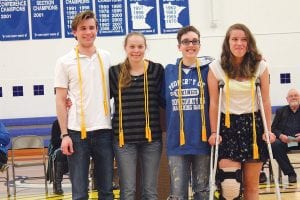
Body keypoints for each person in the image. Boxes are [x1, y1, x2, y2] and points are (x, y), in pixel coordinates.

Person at [208, 23, 276, 200]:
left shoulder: (260, 66)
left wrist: (268, 129)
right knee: (230, 187)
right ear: (227, 42)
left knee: (251, 187)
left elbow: (266, 100)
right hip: (227, 125)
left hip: (253, 127)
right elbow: (214, 103)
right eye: (235, 39)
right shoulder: (216, 67)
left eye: (243, 39)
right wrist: (214, 132)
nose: (239, 43)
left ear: (249, 43)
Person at [55, 10, 114, 200]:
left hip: (104, 130)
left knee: (106, 191)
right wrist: (64, 134)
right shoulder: (64, 61)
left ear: (97, 29)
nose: (88, 32)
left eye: (91, 28)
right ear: (74, 32)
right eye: (83, 29)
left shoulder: (106, 57)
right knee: (79, 193)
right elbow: (60, 99)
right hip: (76, 133)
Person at [109, 32, 164, 200]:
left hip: (151, 139)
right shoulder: (114, 72)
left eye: (140, 46)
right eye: (132, 46)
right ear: (125, 48)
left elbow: (165, 100)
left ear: (145, 48)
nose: (136, 50)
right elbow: (101, 101)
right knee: (128, 190)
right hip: (124, 141)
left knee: (150, 190)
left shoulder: (156, 70)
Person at [163, 25, 212, 199]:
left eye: (194, 41)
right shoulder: (168, 71)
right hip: (177, 141)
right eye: (185, 42)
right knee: (177, 193)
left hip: (203, 141)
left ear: (199, 44)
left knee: (202, 190)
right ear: (179, 46)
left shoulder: (210, 70)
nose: (190, 45)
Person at [271, 88, 300, 183]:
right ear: (287, 99)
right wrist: (280, 136)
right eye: (291, 96)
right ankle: (290, 173)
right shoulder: (281, 111)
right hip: (286, 141)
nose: (293, 98)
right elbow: (273, 128)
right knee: (275, 144)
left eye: (296, 95)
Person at [47, 119, 68, 195]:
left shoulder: (75, 122)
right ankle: (57, 184)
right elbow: (54, 141)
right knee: (60, 153)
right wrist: (64, 139)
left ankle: (83, 183)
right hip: (59, 147)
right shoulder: (56, 123)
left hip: (75, 147)